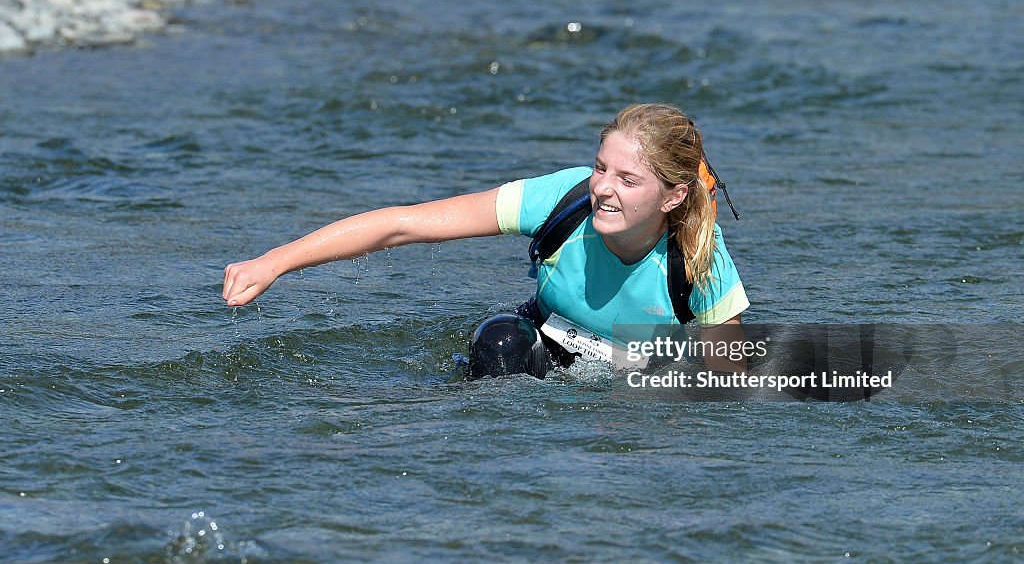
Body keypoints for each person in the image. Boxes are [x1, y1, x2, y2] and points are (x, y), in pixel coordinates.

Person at [222, 103, 749, 379]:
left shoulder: (701, 260)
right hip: (537, 351)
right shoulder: (564, 199)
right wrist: (275, 261)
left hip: (634, 384)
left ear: (673, 197)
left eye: (627, 180)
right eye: (599, 167)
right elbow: (403, 223)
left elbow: (728, 388)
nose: (603, 190)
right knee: (500, 339)